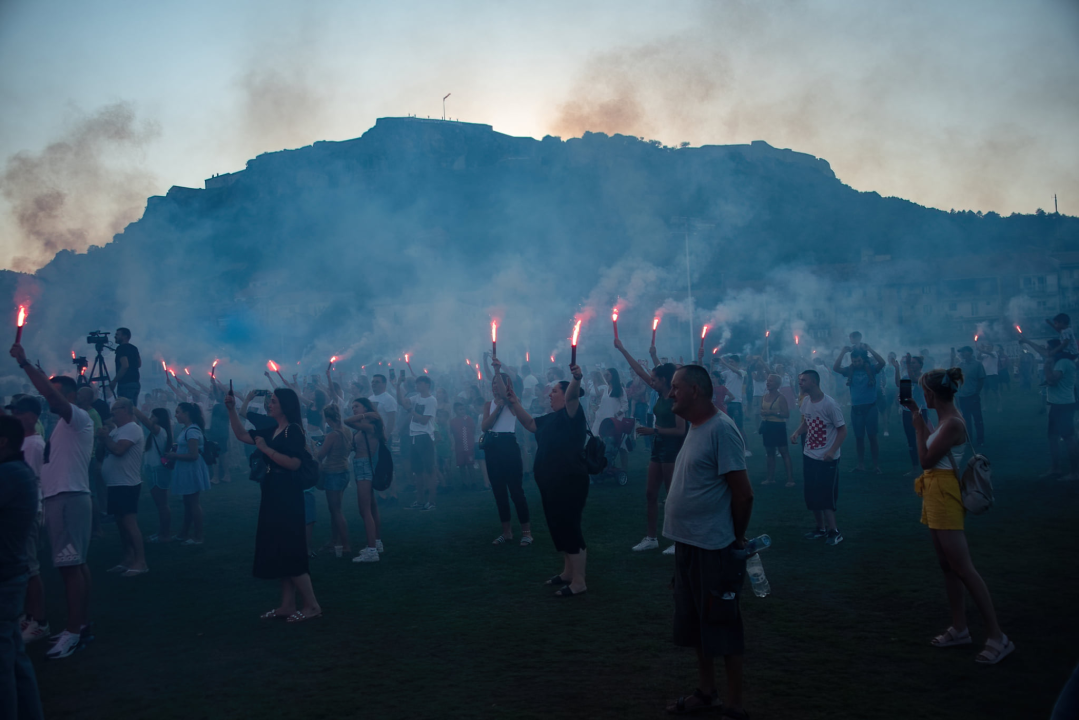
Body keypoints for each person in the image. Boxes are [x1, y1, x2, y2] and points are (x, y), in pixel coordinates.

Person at [904, 368, 1014, 664]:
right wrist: (917, 416)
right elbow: (934, 446)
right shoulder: (945, 420)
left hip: (944, 493)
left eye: (923, 393)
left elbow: (926, 460)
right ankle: (960, 628)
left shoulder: (953, 422)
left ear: (931, 394)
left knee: (963, 568)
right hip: (935, 492)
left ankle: (998, 637)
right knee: (948, 566)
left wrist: (917, 427)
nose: (922, 397)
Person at [662, 365, 753, 718]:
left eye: (675, 387)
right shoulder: (696, 426)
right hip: (688, 544)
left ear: (695, 391)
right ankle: (706, 692)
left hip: (713, 547)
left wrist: (736, 538)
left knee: (722, 624)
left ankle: (735, 704)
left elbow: (743, 494)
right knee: (697, 623)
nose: (670, 393)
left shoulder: (721, 430)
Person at [11, 344, 94, 660]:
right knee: (76, 566)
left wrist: (25, 364)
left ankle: (73, 632)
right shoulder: (63, 425)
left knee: (71, 569)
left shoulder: (78, 418)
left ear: (68, 397)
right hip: (64, 498)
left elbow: (51, 395)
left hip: (68, 497)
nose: (48, 398)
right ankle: (81, 625)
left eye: (54, 394)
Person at [226, 388, 321, 622]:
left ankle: (312, 605)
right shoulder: (273, 428)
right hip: (273, 491)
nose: (269, 404)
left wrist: (266, 449)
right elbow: (241, 435)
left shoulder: (293, 430)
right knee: (279, 547)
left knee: (290, 547)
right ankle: (287, 605)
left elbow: (294, 464)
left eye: (274, 402)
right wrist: (231, 409)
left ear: (285, 406)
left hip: (287, 494)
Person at [506, 363, 590, 596]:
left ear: (565, 395)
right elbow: (530, 424)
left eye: (554, 391)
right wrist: (514, 402)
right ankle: (568, 572)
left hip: (569, 481)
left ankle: (579, 581)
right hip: (551, 483)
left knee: (569, 526)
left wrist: (576, 378)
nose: (549, 394)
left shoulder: (572, 414)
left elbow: (572, 395)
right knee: (558, 526)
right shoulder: (551, 418)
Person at [615, 338, 686, 554]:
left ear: (664, 380)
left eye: (654, 379)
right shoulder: (660, 391)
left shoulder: (676, 398)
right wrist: (622, 349)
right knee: (650, 493)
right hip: (659, 445)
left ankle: (680, 540)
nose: (651, 382)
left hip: (673, 447)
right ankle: (651, 537)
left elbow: (681, 430)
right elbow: (639, 371)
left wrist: (653, 431)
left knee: (672, 495)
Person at [0, 414, 45, 720]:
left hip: (4, 575)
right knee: (14, 658)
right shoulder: (15, 471)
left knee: (4, 666)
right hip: (10, 573)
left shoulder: (10, 474)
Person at [790, 370, 847, 546]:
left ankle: (834, 531)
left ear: (814, 382)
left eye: (804, 380)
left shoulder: (830, 404)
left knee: (825, 494)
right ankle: (820, 528)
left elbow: (842, 430)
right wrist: (797, 432)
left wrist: (832, 451)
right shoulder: (806, 401)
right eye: (800, 380)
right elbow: (807, 421)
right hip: (810, 454)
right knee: (812, 493)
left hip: (826, 458)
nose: (800, 383)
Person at [9, 397, 48, 646]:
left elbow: (31, 480)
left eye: (19, 413)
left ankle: (40, 622)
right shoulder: (23, 441)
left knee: (31, 569)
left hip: (29, 511)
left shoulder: (33, 444)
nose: (15, 416)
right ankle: (29, 616)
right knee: (23, 567)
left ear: (32, 417)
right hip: (22, 511)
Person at [483, 360, 532, 546]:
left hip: (508, 445)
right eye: (494, 383)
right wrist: (497, 408)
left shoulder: (513, 401)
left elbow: (506, 394)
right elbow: (484, 426)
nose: (495, 386)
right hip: (492, 447)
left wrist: (497, 371)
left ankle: (527, 533)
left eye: (499, 383)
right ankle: (507, 532)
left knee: (516, 491)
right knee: (499, 491)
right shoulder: (489, 404)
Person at [97, 398, 148, 577]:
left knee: (129, 523)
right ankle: (128, 558)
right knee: (121, 524)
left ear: (125, 409)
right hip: (115, 483)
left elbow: (119, 450)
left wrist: (106, 438)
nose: (111, 413)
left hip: (127, 483)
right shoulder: (117, 430)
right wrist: (103, 439)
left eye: (115, 409)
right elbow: (103, 454)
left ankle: (140, 561)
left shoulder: (132, 428)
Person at [833, 344, 885, 474]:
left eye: (859, 361)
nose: (856, 363)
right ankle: (860, 464)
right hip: (856, 409)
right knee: (859, 438)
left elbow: (882, 363)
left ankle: (876, 465)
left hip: (870, 407)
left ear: (863, 360)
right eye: (854, 361)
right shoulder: (850, 371)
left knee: (872, 437)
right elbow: (836, 368)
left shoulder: (871, 369)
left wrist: (870, 349)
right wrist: (843, 352)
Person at [344, 397, 385, 562]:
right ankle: (377, 542)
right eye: (352, 406)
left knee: (364, 509)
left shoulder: (370, 426)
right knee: (372, 506)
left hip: (364, 466)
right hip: (362, 465)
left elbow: (347, 421)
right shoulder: (365, 427)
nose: (353, 409)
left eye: (357, 406)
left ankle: (372, 550)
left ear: (366, 408)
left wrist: (365, 415)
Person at [167, 402, 210, 545]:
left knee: (193, 502)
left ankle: (199, 536)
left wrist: (175, 456)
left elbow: (194, 455)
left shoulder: (192, 431)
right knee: (187, 502)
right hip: (187, 468)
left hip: (191, 469)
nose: (176, 415)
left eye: (178, 412)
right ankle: (184, 533)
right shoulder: (187, 429)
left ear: (187, 414)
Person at [315, 404, 353, 558]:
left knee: (336, 510)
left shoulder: (333, 435)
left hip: (333, 473)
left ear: (329, 420)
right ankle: (334, 540)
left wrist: (313, 448)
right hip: (344, 471)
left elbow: (320, 456)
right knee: (334, 509)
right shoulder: (347, 431)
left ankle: (345, 545)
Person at [397, 375, 439, 511]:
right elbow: (401, 402)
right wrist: (397, 386)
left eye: (420, 383)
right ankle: (420, 500)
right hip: (414, 436)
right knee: (417, 471)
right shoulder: (416, 397)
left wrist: (411, 410)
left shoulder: (431, 400)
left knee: (429, 470)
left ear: (427, 385)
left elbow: (424, 420)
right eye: (417, 384)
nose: (417, 386)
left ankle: (431, 501)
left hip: (425, 436)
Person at [134, 407, 172, 543]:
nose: (150, 419)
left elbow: (144, 421)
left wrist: (133, 408)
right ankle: (161, 532)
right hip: (154, 470)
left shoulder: (160, 431)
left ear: (159, 418)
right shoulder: (157, 433)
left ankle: (165, 535)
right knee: (160, 505)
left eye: (153, 416)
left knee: (162, 505)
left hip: (157, 470)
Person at [1042, 339, 1078, 480]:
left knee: (1068, 438)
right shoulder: (1062, 362)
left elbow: (1052, 380)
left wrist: (1046, 366)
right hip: (1057, 404)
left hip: (1063, 405)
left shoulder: (1063, 362)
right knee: (1053, 437)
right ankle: (1055, 468)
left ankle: (1075, 473)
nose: (1047, 351)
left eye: (1049, 348)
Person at [759, 374, 794, 487]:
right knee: (769, 453)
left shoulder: (781, 397)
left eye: (771, 381)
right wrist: (763, 413)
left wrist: (772, 412)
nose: (768, 383)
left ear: (777, 384)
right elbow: (762, 410)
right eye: (768, 381)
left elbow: (786, 414)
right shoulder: (764, 397)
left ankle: (790, 479)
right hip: (767, 426)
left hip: (778, 426)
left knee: (784, 452)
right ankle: (770, 478)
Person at [951, 346, 986, 447]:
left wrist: (976, 391)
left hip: (973, 395)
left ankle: (980, 439)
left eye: (964, 352)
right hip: (962, 396)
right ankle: (969, 439)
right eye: (961, 352)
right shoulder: (960, 365)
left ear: (970, 352)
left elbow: (981, 379)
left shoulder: (977, 364)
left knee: (977, 419)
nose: (962, 354)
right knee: (966, 419)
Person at [109, 327, 142, 404]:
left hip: (125, 384)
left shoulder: (121, 349)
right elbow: (139, 364)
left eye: (117, 335)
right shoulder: (134, 348)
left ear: (125, 336)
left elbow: (125, 365)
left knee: (124, 407)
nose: (115, 336)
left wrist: (114, 381)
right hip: (135, 383)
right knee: (132, 408)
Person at [450, 401, 478, 490]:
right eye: (460, 409)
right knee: (461, 465)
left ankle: (473, 482)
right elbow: (452, 433)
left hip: (469, 446)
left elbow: (473, 430)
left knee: (470, 465)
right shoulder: (453, 421)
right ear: (455, 411)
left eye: (463, 409)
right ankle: (464, 483)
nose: (462, 411)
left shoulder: (468, 419)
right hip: (459, 447)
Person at [976, 341, 1002, 413]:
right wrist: (980, 350)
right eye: (987, 346)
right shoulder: (984, 354)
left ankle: (999, 406)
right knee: (985, 392)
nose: (987, 347)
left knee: (995, 391)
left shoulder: (994, 353)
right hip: (985, 375)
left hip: (992, 375)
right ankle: (985, 406)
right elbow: (978, 357)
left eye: (989, 346)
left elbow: (989, 353)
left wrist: (981, 349)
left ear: (992, 347)